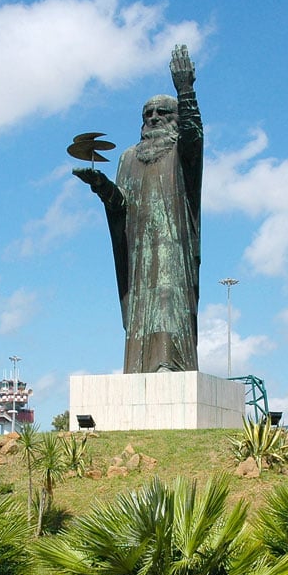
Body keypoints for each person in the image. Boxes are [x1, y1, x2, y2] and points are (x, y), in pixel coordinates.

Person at [75, 45, 202, 373]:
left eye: (163, 112)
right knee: (143, 309)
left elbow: (193, 135)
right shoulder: (128, 158)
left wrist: (185, 89)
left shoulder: (181, 153)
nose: (155, 118)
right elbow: (121, 206)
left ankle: (171, 365)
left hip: (174, 247)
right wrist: (101, 186)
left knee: (169, 301)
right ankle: (142, 368)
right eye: (149, 114)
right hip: (140, 251)